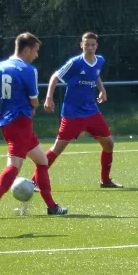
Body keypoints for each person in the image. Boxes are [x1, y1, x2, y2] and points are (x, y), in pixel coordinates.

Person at [0, 32, 67, 219]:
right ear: (26, 49)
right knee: (14, 165)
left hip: (7, 122)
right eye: (35, 51)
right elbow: (34, 100)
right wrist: (33, 106)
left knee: (42, 161)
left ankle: (52, 207)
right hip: (21, 122)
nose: (36, 55)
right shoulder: (28, 70)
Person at [30, 32, 122, 189]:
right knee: (58, 148)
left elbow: (96, 76)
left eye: (93, 45)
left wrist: (102, 90)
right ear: (82, 45)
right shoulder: (75, 63)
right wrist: (49, 98)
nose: (90, 47)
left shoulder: (100, 61)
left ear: (96, 46)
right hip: (73, 114)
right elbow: (55, 77)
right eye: (87, 44)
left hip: (92, 112)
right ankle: (33, 181)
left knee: (109, 144)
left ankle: (105, 180)